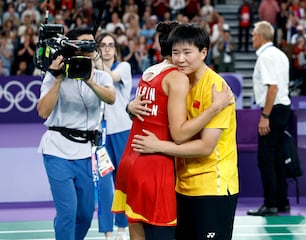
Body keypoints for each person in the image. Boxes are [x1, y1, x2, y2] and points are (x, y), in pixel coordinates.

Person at [112, 21, 233, 240]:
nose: (180, 58)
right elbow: (160, 118)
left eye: (187, 52)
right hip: (179, 183)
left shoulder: (218, 90)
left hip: (210, 185)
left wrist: (159, 145)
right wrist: (130, 107)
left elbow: (206, 146)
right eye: (176, 52)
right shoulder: (180, 80)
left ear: (204, 52)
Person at [37, 27, 116, 240]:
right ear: (72, 47)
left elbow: (110, 98)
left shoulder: (100, 76)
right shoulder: (53, 76)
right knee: (68, 212)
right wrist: (58, 78)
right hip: (57, 150)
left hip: (86, 152)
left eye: (92, 44)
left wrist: (89, 80)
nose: (89, 49)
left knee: (85, 213)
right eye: (84, 44)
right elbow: (43, 111)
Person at [246, 20, 292, 216]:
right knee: (278, 159)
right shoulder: (280, 54)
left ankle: (271, 204)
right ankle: (282, 202)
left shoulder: (265, 57)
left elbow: (272, 87)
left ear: (261, 36)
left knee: (266, 159)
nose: (252, 38)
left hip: (272, 110)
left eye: (254, 35)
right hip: (283, 108)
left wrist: (265, 116)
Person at [94, 32, 132, 240]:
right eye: (103, 45)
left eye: (111, 45)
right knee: (103, 182)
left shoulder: (123, 68)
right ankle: (107, 232)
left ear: (115, 50)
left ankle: (121, 228)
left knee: (123, 181)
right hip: (100, 134)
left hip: (122, 131)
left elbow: (111, 77)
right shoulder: (92, 72)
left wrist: (97, 61)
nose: (107, 48)